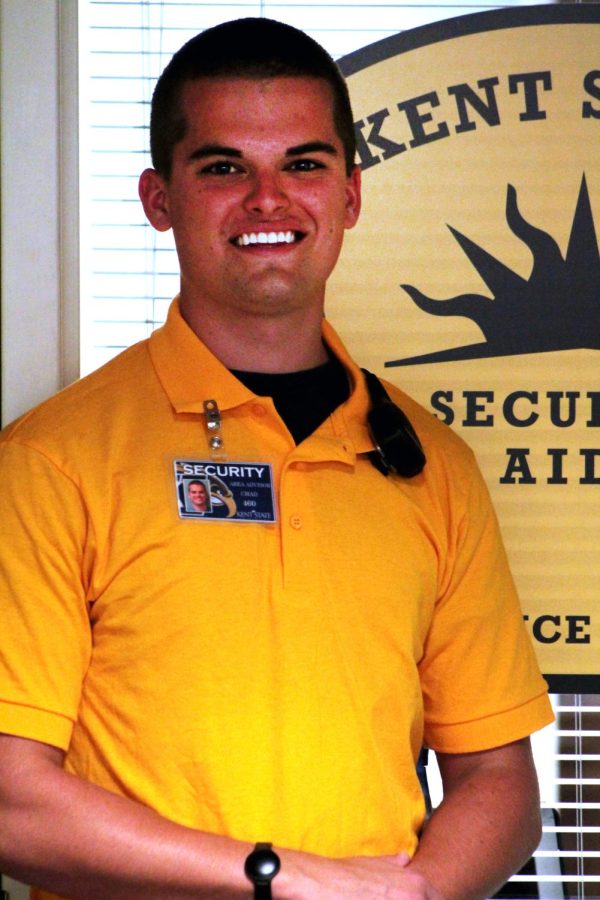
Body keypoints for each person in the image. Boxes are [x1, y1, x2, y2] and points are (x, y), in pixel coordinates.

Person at [0, 17, 553, 900]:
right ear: (158, 199)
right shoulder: (52, 459)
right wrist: (277, 878)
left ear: (350, 195)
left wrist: (405, 896)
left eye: (304, 163)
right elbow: (10, 803)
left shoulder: (433, 464)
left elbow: (501, 785)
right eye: (224, 168)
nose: (269, 199)